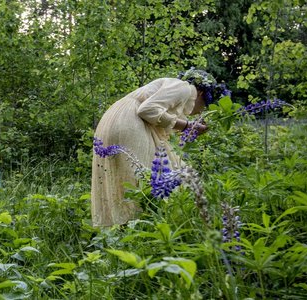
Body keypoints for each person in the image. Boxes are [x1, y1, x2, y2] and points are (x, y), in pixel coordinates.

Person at [91, 68, 227, 227]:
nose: (201, 111)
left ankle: (126, 228)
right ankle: (144, 227)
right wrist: (188, 126)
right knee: (146, 177)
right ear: (201, 94)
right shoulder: (184, 87)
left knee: (132, 177)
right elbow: (147, 110)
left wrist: (188, 126)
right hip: (130, 121)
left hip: (114, 119)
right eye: (205, 106)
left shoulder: (172, 86)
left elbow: (157, 114)